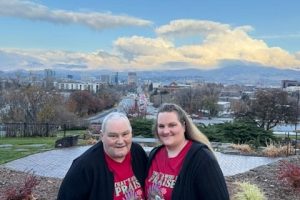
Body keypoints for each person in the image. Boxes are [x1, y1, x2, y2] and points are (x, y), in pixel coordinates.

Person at [145, 103, 229, 200]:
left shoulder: (202, 158)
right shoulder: (154, 154)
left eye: (172, 125)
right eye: (161, 126)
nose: (166, 131)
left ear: (184, 126)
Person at [57, 112, 148, 200]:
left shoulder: (138, 153)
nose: (120, 141)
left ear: (131, 133)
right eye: (113, 136)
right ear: (102, 136)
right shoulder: (83, 167)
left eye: (125, 134)